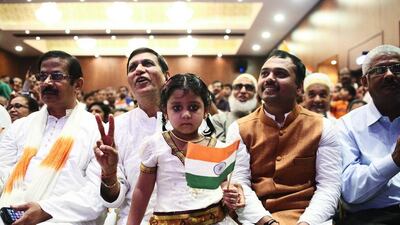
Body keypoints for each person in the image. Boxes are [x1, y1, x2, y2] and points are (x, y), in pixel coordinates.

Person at [226, 49, 341, 225]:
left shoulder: (323, 126)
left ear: (299, 87)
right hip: (256, 218)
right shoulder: (239, 129)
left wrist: (307, 222)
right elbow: (239, 185)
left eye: (280, 74)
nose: (269, 78)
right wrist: (266, 222)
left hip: (308, 217)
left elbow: (329, 186)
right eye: (264, 73)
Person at [0, 50, 104, 225]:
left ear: (77, 84)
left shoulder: (97, 130)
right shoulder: (20, 127)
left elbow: (96, 194)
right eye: (42, 76)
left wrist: (45, 210)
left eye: (56, 76)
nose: (46, 82)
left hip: (64, 220)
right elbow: (4, 171)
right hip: (10, 216)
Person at [126, 73, 242, 225]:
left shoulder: (216, 147)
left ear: (206, 110)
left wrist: (230, 193)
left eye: (194, 107)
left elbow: (221, 184)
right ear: (165, 112)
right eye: (177, 108)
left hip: (216, 219)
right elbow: (142, 191)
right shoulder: (155, 145)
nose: (186, 114)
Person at [94, 47, 170, 225]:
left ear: (167, 75)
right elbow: (115, 200)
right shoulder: (116, 127)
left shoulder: (191, 121)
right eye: (132, 67)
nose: (139, 69)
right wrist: (109, 173)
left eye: (148, 64)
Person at [337, 44, 400, 225]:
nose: (389, 74)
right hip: (373, 218)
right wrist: (394, 161)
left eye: (396, 68)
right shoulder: (347, 126)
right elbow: (350, 191)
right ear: (364, 82)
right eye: (380, 69)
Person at [212, 73, 259, 142]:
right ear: (232, 92)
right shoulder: (218, 119)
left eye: (249, 87)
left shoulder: (262, 122)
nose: (243, 91)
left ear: (255, 93)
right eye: (238, 87)